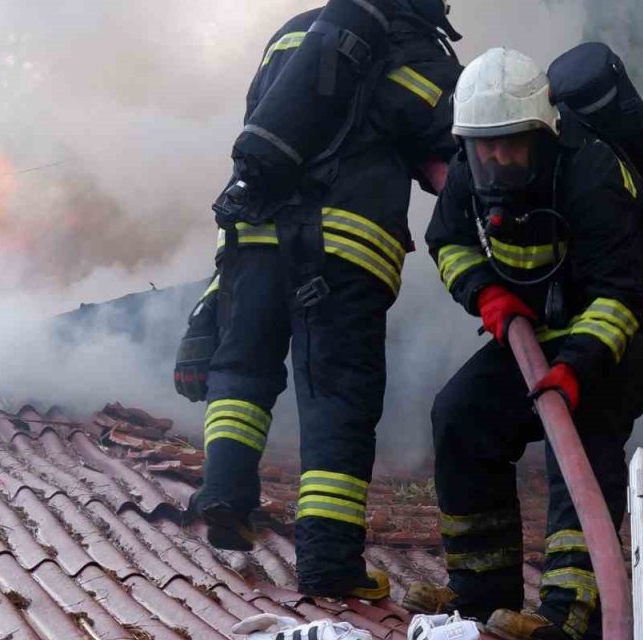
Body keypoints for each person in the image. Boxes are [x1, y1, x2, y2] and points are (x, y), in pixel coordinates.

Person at [173, 0, 463, 600]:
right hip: (345, 247)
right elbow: (458, 148)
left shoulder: (293, 32)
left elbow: (264, 123)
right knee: (338, 399)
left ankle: (225, 494)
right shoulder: (418, 49)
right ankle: (329, 562)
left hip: (254, 234)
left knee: (241, 371)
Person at [405, 47, 643, 640]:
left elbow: (619, 298)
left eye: (510, 142)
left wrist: (575, 369)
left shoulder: (590, 170)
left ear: (542, 132)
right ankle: (480, 595)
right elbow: (447, 240)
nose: (495, 157)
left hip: (642, 322)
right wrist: (485, 295)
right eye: (483, 144)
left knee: (583, 428)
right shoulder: (471, 162)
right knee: (460, 415)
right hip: (542, 325)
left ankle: (570, 616)